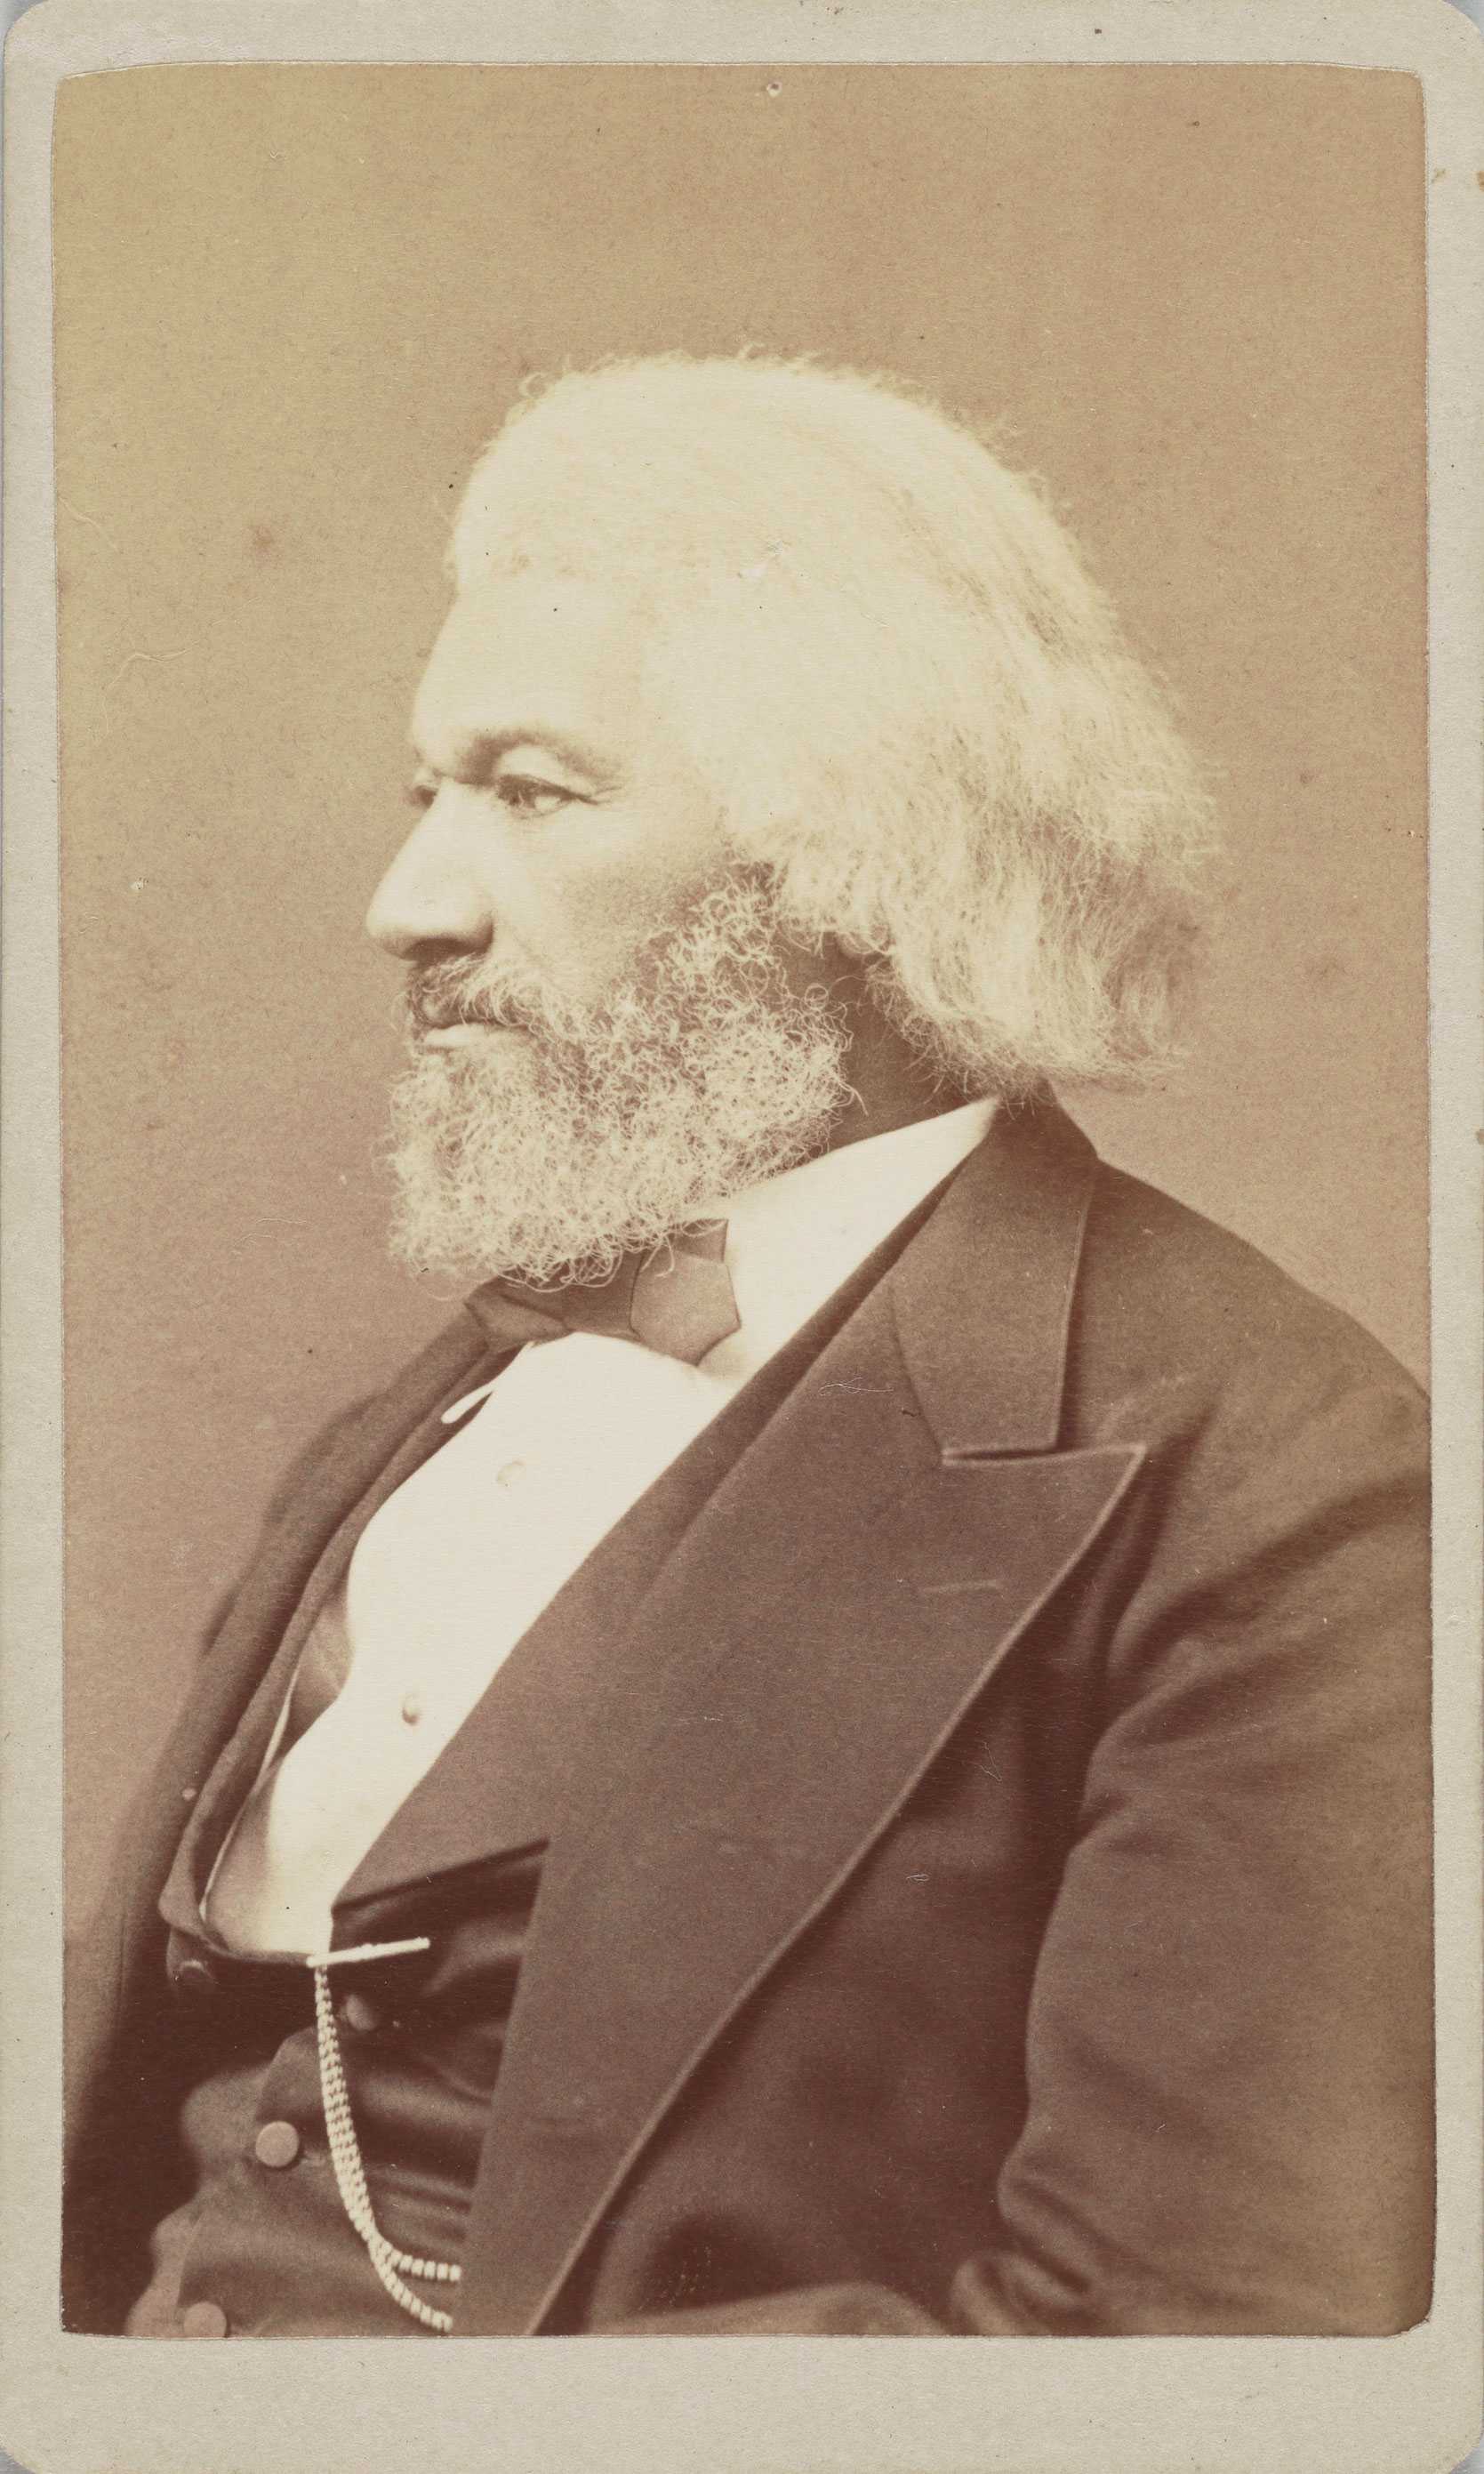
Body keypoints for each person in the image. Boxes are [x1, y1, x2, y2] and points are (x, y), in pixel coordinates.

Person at [62, 355, 1432, 2341]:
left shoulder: (1274, 1478)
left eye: (531, 795)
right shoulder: (453, 1394)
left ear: (858, 874)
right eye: (424, 794)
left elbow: (1192, 2349)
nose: (404, 901)